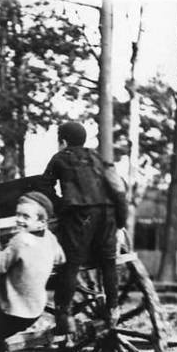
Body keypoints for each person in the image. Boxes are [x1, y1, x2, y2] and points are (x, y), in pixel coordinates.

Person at [38, 120, 127, 337]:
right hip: (108, 213)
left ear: (63, 141)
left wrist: (60, 205)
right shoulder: (98, 157)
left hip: (80, 215)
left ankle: (63, 316)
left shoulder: (60, 157)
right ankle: (113, 308)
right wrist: (121, 222)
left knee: (71, 264)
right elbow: (118, 189)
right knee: (108, 262)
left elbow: (44, 186)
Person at [0, 191, 64, 352]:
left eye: (26, 217)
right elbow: (60, 258)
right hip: (35, 311)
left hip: (10, 314)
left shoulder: (20, 240)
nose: (19, 220)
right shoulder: (49, 237)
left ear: (41, 222)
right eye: (18, 215)